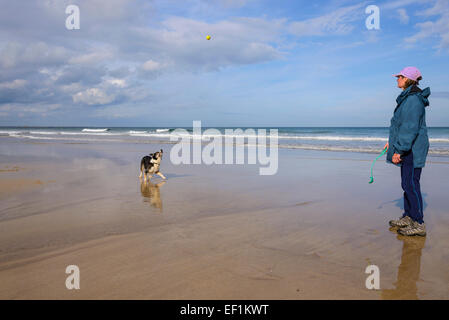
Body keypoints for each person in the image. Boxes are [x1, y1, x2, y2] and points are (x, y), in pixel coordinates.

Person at [385, 66, 430, 236]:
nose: (397, 79)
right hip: (408, 147)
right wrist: (392, 144)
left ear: (407, 79)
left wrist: (400, 150)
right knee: (407, 184)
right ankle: (408, 217)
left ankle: (418, 223)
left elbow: (410, 129)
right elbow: (401, 126)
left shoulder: (413, 100)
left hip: (412, 149)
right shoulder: (408, 98)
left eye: (400, 77)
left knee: (411, 184)